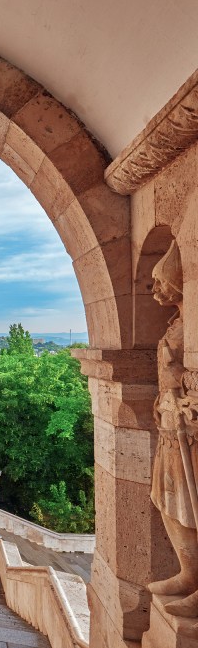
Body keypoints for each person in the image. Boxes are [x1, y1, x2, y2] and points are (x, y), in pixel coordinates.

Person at [147, 242, 198, 616]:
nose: (155, 292)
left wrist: (179, 379)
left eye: (161, 283)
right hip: (169, 421)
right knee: (167, 498)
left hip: (187, 424)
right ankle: (188, 573)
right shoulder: (177, 324)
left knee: (190, 502)